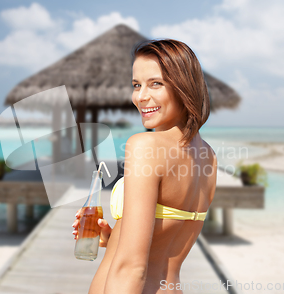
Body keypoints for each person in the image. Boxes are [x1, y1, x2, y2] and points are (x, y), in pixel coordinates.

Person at [72, 39, 217, 294]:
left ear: (184, 87)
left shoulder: (145, 146)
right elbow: (169, 238)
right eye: (136, 85)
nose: (140, 97)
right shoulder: (209, 156)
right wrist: (114, 236)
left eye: (156, 84)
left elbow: (132, 268)